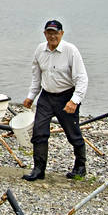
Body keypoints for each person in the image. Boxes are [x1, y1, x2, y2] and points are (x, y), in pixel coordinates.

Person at [22, 20, 89, 181]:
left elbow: (82, 79)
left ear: (62, 34)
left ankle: (80, 167)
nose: (52, 36)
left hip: (67, 96)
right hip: (46, 96)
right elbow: (36, 76)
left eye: (55, 33)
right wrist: (31, 96)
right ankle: (39, 169)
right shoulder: (40, 50)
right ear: (44, 34)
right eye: (49, 33)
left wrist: (75, 100)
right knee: (39, 131)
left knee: (73, 133)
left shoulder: (70, 51)